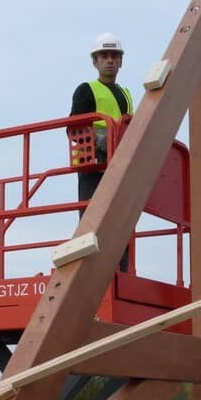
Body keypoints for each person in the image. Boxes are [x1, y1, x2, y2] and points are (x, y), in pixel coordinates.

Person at [69, 32, 133, 269]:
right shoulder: (87, 90)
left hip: (119, 166)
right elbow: (74, 128)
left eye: (114, 56)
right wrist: (106, 142)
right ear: (94, 62)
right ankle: (91, 272)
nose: (109, 60)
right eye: (103, 56)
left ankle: (121, 273)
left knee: (120, 221)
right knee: (92, 222)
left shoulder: (125, 94)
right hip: (93, 165)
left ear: (121, 62)